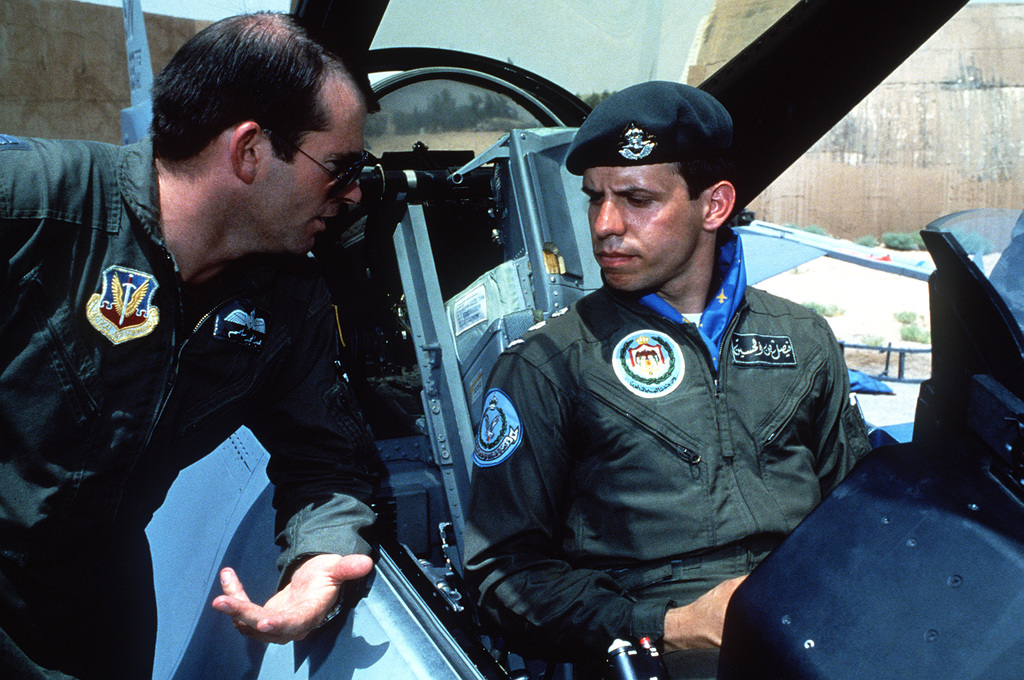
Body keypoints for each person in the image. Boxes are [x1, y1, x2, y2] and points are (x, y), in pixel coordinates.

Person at [0, 13, 380, 680]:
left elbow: (326, 461)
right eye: (339, 168)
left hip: (90, 619)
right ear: (250, 151)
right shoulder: (36, 208)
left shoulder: (289, 301)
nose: (351, 194)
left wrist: (319, 565)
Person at [463, 81, 872, 679]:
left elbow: (859, 516)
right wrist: (669, 626)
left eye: (637, 199)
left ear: (714, 205)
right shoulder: (549, 363)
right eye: (595, 198)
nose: (605, 224)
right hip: (652, 654)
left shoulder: (802, 339)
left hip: (810, 637)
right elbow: (502, 579)